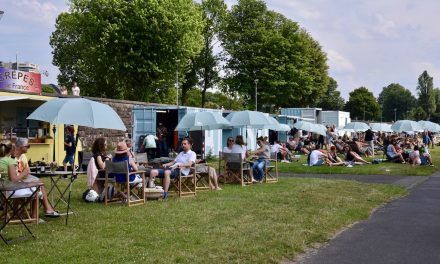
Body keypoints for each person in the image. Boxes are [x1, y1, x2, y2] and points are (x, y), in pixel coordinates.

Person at [13, 138, 60, 217]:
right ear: (21, 147)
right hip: (16, 185)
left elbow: (28, 170)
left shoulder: (23, 156)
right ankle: (45, 210)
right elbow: (17, 175)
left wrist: (24, 173)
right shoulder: (12, 158)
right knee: (38, 185)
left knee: (39, 184)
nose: (28, 148)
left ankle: (46, 209)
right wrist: (24, 173)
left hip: (23, 180)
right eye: (27, 146)